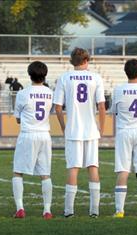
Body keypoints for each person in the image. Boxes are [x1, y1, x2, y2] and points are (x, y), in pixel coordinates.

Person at [53, 47, 106, 218]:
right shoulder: (96, 77)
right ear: (86, 60)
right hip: (91, 129)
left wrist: (63, 126)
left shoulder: (64, 78)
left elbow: (58, 107)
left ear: (72, 61)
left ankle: (69, 210)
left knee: (73, 169)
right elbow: (102, 106)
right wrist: (102, 128)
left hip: (73, 129)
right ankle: (94, 210)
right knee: (93, 168)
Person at [111, 59, 137, 218]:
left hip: (124, 131)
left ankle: (120, 211)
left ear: (125, 72)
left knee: (123, 171)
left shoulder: (118, 90)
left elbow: (113, 111)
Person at [12, 61, 54, 219]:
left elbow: (17, 119)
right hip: (44, 134)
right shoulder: (50, 92)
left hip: (28, 133)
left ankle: (20, 208)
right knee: (45, 174)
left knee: (18, 172)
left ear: (30, 75)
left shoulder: (23, 94)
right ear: (45, 75)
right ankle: (47, 210)